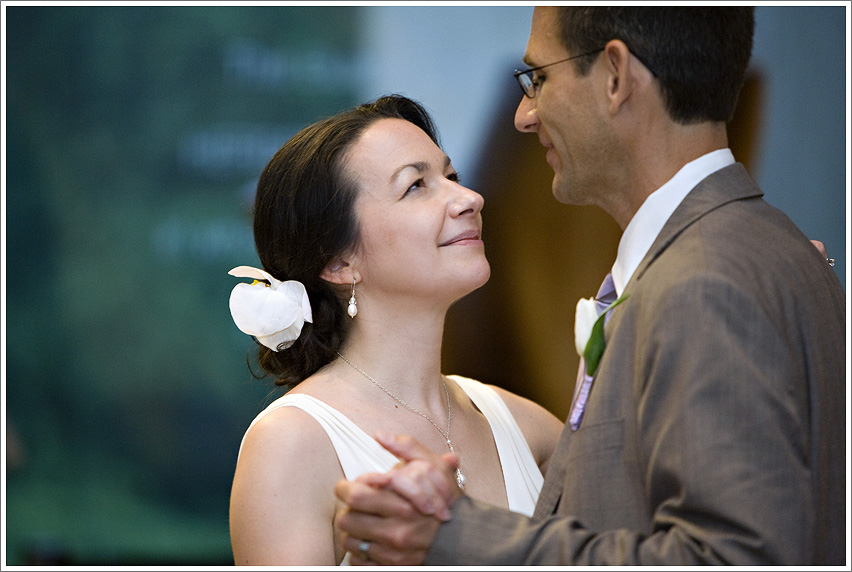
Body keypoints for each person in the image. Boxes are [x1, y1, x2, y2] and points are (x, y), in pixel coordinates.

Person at [333, 7, 846, 566]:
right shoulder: (763, 249)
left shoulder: (704, 283)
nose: (524, 116)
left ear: (616, 76)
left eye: (540, 78)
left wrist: (459, 537)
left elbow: (730, 558)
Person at [226, 94, 564, 565]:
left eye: (451, 177)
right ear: (339, 262)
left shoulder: (524, 426)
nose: (469, 199)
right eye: (416, 186)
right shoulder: (290, 442)